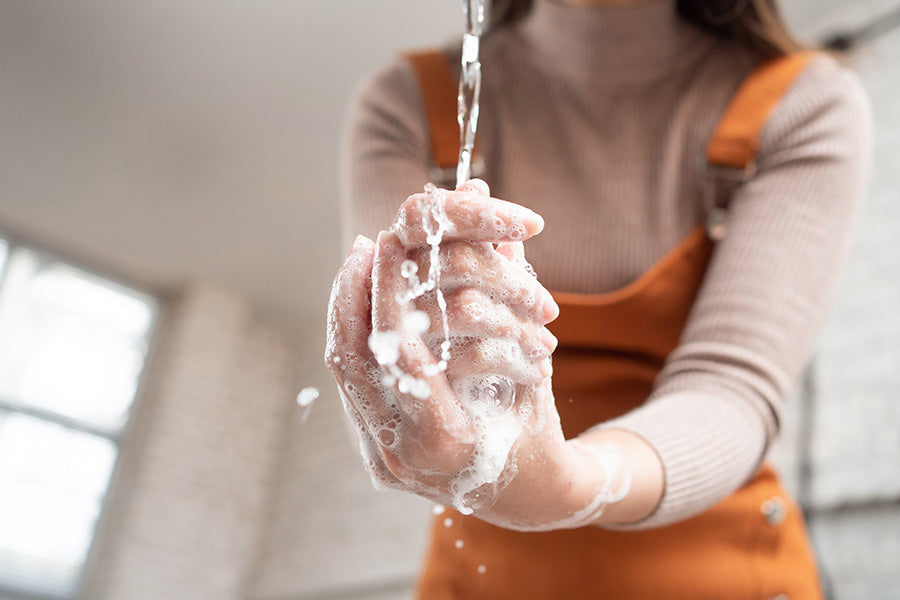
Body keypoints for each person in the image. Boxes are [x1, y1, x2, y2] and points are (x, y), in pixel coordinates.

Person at [325, 0, 871, 597]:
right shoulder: (407, 103)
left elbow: (731, 387)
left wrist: (565, 486)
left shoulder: (800, 103)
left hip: (720, 573)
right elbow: (395, 366)